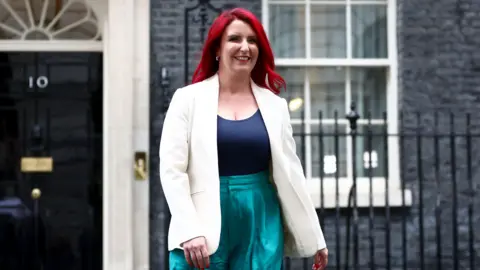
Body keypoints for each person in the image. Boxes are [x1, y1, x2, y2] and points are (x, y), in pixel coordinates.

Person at [159, 7, 328, 270]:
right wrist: (188, 229)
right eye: (235, 39)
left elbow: (292, 173)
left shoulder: (275, 106)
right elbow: (172, 171)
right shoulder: (187, 99)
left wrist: (315, 235)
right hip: (202, 223)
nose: (245, 47)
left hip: (260, 218)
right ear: (217, 49)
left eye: (252, 40)